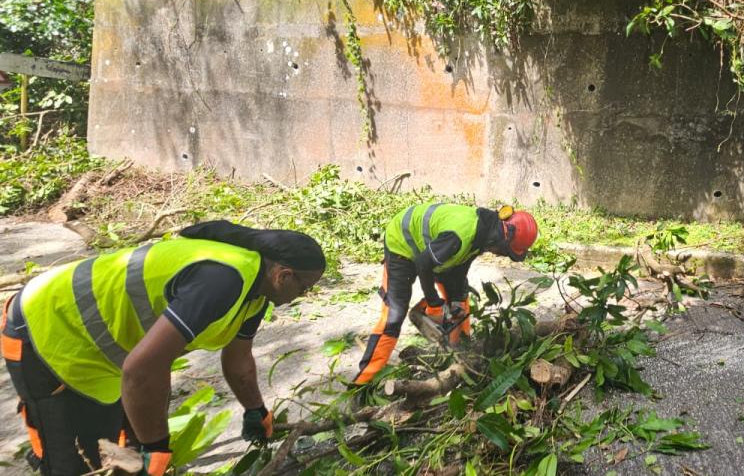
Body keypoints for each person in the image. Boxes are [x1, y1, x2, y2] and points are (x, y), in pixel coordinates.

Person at [2, 221, 326, 476]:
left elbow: (239, 360)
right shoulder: (222, 280)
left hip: (106, 359)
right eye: (305, 287)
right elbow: (142, 370)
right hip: (47, 331)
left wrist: (256, 410)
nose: (304, 295)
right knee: (74, 465)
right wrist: (156, 446)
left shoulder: (256, 296)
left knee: (118, 454)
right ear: (284, 275)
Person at [354, 203, 538, 384]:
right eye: (505, 252)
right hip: (402, 244)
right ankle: (363, 383)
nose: (501, 255)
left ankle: (459, 353)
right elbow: (423, 264)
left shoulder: (485, 231)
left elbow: (462, 263)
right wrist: (434, 304)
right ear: (501, 239)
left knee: (460, 300)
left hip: (434, 248)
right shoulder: (459, 236)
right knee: (394, 314)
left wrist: (456, 300)